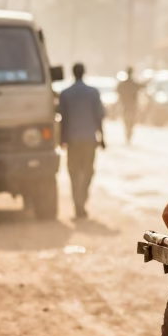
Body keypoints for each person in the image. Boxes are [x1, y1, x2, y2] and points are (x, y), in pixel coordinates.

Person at [58, 62, 105, 219]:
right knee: (88, 172)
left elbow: (62, 119)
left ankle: (77, 204)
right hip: (89, 140)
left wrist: (61, 139)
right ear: (84, 72)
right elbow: (99, 117)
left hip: (72, 140)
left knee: (73, 172)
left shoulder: (65, 93)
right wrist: (102, 137)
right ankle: (82, 201)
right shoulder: (93, 93)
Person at [116, 66, 143, 143]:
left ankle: (128, 133)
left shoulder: (124, 83)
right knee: (130, 121)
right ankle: (129, 133)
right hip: (130, 105)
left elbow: (118, 90)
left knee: (128, 121)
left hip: (127, 105)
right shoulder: (132, 83)